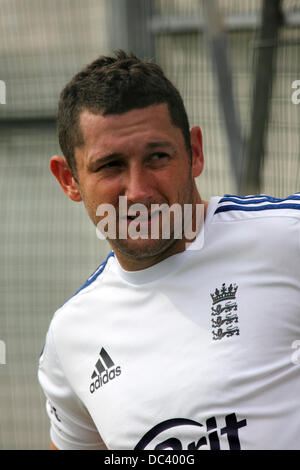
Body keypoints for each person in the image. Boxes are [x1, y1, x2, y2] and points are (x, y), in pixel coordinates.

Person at [38, 50, 300, 450]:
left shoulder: (286, 238)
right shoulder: (71, 334)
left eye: (157, 157)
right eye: (110, 165)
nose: (139, 190)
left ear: (194, 151)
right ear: (69, 180)